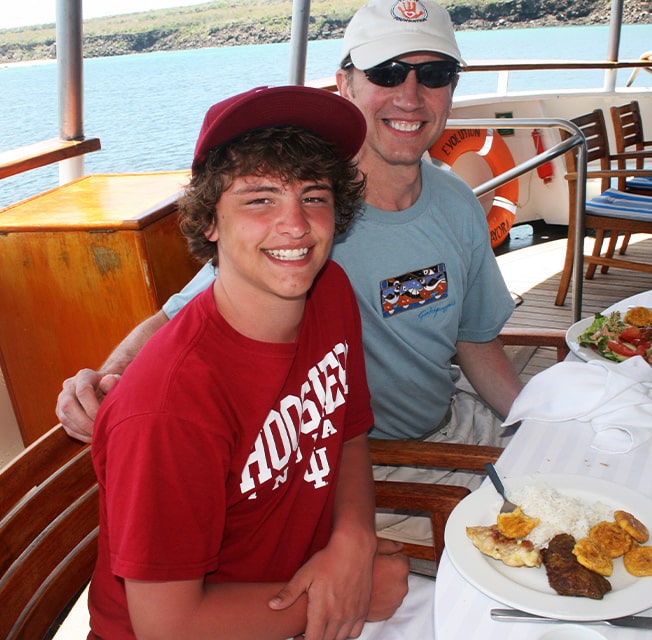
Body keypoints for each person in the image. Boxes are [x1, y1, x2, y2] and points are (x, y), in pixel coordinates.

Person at [58, 0, 522, 537]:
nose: (410, 97)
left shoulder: (456, 202)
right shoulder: (305, 226)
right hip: (367, 470)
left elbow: (476, 341)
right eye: (386, 73)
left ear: (452, 89)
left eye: (435, 74)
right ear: (345, 84)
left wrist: (534, 419)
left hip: (453, 422)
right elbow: (182, 320)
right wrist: (103, 380)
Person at [86, 85, 409, 640]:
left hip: (299, 583)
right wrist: (341, 595)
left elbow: (347, 433)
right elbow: (168, 626)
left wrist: (352, 545)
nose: (296, 225)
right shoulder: (171, 405)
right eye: (259, 199)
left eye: (314, 196)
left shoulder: (328, 290)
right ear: (210, 221)